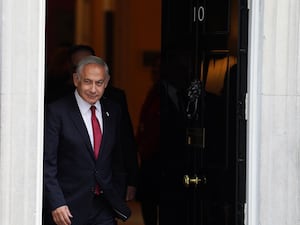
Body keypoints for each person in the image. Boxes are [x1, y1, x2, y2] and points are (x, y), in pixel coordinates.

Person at [43, 56, 131, 225]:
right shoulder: (57, 111)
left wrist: (117, 195)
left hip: (104, 207)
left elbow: (117, 159)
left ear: (106, 82)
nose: (93, 89)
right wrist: (56, 202)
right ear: (76, 80)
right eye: (87, 82)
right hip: (67, 208)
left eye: (99, 83)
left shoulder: (113, 111)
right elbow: (48, 163)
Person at [67, 45, 138, 201]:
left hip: (107, 194)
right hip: (72, 195)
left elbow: (125, 141)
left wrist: (131, 180)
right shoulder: (59, 105)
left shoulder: (115, 101)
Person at [136, 57, 160, 225]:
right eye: (154, 70)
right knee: (149, 204)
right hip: (149, 155)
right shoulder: (154, 92)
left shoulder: (165, 93)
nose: (155, 74)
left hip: (160, 156)